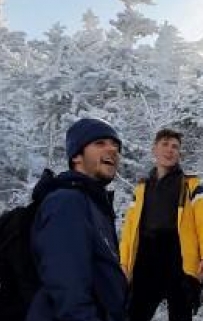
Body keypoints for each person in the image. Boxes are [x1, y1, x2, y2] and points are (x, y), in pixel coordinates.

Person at [27, 117, 128, 321]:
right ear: (76, 157)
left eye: (115, 145)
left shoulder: (96, 207)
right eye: (100, 143)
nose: (112, 150)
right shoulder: (67, 202)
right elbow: (67, 283)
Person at [120, 128, 203, 321]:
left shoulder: (191, 185)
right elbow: (129, 229)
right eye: (165, 144)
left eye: (175, 146)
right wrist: (123, 262)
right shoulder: (141, 188)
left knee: (181, 314)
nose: (170, 150)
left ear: (179, 154)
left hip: (178, 258)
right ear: (154, 150)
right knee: (133, 314)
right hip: (145, 259)